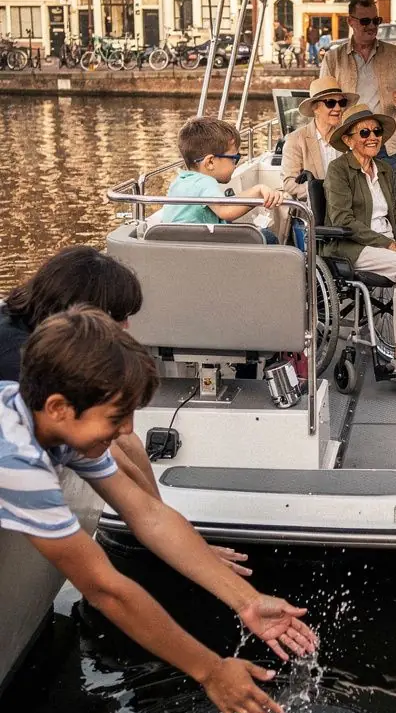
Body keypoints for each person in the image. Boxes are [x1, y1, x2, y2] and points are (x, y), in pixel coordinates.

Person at [0, 307, 317, 713]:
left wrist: (246, 600)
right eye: (116, 418)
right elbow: (105, 589)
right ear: (58, 408)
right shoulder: (16, 458)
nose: (128, 429)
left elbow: (148, 515)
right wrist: (211, 672)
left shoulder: (49, 420)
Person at [0, 246, 252, 574]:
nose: (127, 326)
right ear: (84, 313)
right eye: (118, 317)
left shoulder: (35, 320)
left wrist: (172, 535)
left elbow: (126, 443)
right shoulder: (20, 363)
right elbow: (113, 455)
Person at [323, 103, 396, 390]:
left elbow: (392, 210)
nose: (372, 136)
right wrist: (390, 244)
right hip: (352, 247)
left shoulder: (383, 169)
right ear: (349, 140)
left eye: (376, 131)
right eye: (364, 132)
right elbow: (343, 220)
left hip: (384, 245)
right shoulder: (338, 170)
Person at [320, 0, 396, 181]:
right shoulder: (333, 58)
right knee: (348, 201)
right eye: (365, 21)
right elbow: (323, 100)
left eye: (376, 21)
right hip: (347, 143)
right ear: (350, 21)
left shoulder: (394, 54)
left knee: (387, 202)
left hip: (385, 143)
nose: (372, 26)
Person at [161, 117, 283, 239]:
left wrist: (257, 190)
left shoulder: (180, 181)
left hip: (179, 246)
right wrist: (257, 198)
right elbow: (226, 210)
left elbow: (225, 204)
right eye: (234, 158)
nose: (236, 164)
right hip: (201, 249)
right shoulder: (205, 182)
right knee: (267, 237)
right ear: (210, 162)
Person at [280, 74, 356, 200]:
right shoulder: (295, 139)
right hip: (313, 211)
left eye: (341, 102)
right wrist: (323, 190)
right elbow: (289, 184)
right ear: (315, 108)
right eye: (330, 103)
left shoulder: (348, 136)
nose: (338, 108)